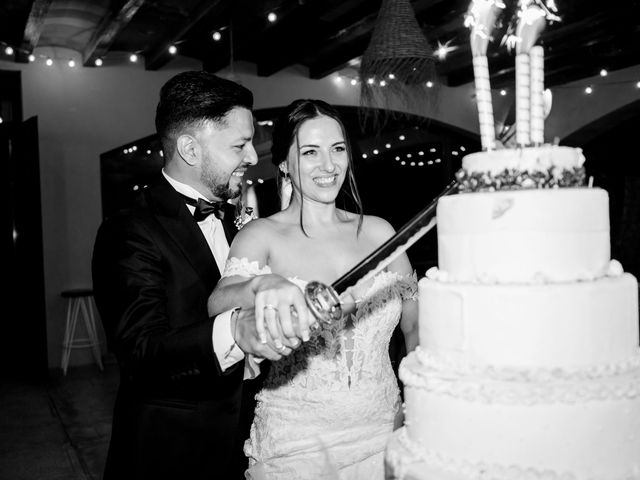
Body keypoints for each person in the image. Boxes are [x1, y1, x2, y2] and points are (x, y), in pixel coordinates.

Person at [91, 71, 314, 480]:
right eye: (240, 145)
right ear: (190, 149)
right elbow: (141, 353)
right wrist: (237, 330)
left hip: (249, 448)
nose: (251, 157)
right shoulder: (128, 231)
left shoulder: (243, 227)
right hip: (171, 457)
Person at [209, 99, 419, 479]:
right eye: (310, 152)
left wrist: (425, 405)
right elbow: (218, 302)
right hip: (297, 445)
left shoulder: (380, 231)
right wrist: (260, 285)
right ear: (286, 164)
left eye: (338, 149)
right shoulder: (262, 235)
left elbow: (415, 328)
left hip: (388, 432)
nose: (329, 166)